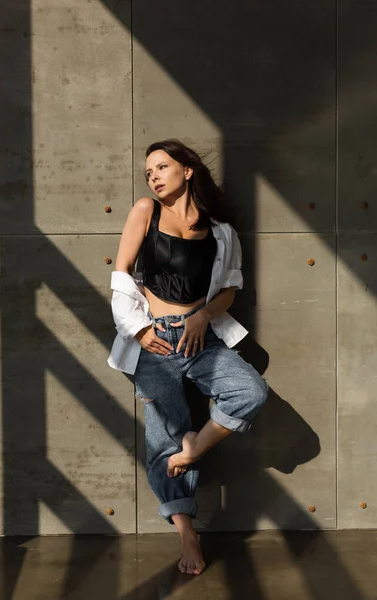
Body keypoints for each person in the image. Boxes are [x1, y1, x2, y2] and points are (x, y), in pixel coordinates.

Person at [107, 139, 268, 575]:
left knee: (250, 390)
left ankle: (196, 445)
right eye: (149, 172)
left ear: (188, 171)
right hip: (153, 340)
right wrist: (139, 330)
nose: (154, 176)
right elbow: (121, 274)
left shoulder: (221, 231)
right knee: (163, 438)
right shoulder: (145, 210)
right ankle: (188, 535)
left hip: (200, 338)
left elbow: (230, 288)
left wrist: (202, 316)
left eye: (162, 167)